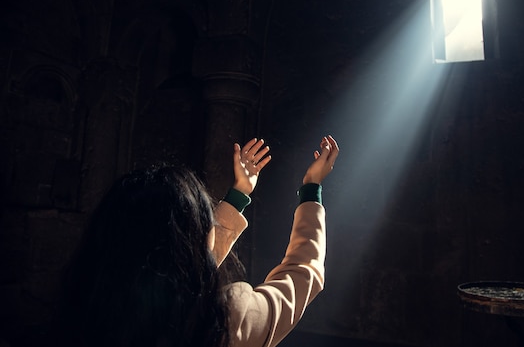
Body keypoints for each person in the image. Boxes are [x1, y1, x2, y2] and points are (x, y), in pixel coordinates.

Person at [60, 135, 339, 347]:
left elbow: (184, 264)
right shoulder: (225, 320)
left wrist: (240, 193)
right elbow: (303, 273)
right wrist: (311, 189)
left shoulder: (86, 307)